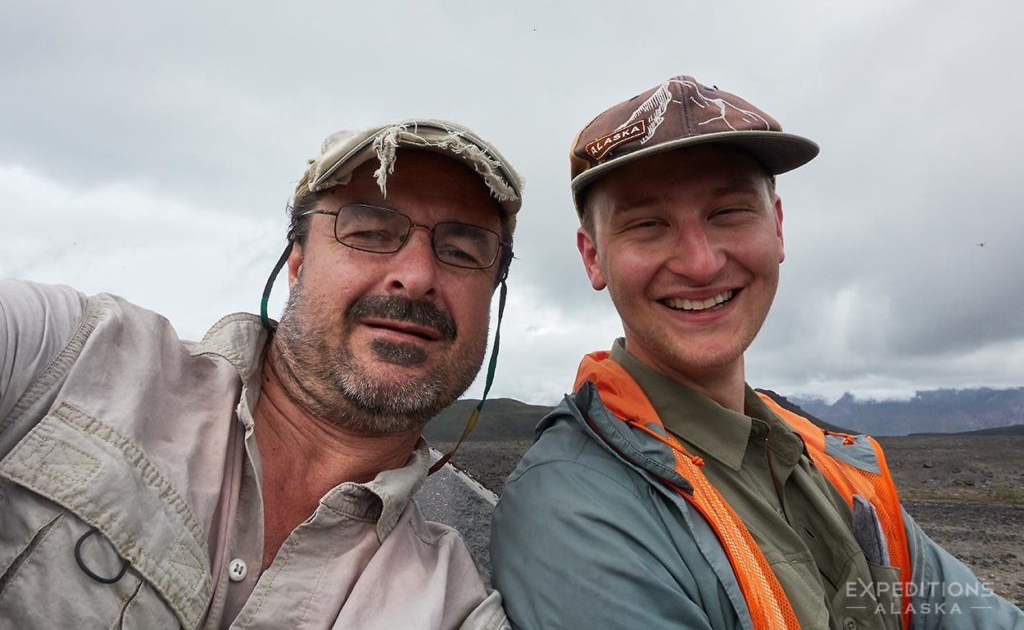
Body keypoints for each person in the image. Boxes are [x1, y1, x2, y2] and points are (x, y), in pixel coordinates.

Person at [490, 76, 1024, 629]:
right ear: (593, 257)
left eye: (728, 212)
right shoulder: (576, 511)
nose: (700, 263)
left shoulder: (834, 465)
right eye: (648, 225)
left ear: (778, 228)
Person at [0, 120, 521, 629]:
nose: (416, 276)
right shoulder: (67, 354)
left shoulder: (454, 608)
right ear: (297, 267)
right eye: (370, 231)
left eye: (461, 250)